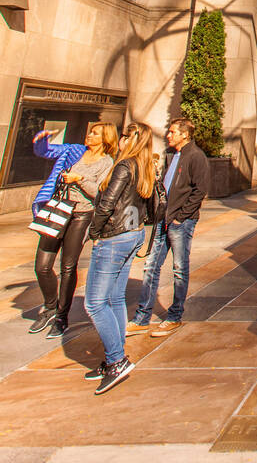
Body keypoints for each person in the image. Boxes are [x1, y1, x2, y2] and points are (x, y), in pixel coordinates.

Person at [84, 122, 157, 394]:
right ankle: (115, 354)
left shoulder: (125, 166)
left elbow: (107, 203)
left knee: (94, 303)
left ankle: (116, 360)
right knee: (115, 298)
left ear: (131, 139)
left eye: (125, 135)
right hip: (133, 234)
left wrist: (94, 231)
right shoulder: (145, 166)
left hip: (114, 236)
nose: (121, 139)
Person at [32, 123, 118, 338]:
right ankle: (50, 305)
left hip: (81, 215)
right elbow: (47, 151)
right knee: (42, 266)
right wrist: (42, 139)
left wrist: (80, 179)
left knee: (68, 267)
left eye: (95, 133)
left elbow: (99, 193)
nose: (89, 135)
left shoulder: (107, 163)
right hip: (58, 210)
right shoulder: (75, 151)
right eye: (90, 132)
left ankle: (62, 315)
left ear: (105, 139)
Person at [127, 118, 209, 338]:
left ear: (185, 134)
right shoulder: (173, 156)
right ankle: (142, 317)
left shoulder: (196, 156)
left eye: (173, 132)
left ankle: (174, 316)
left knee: (179, 269)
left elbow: (200, 190)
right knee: (151, 267)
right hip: (163, 220)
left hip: (180, 222)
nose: (168, 135)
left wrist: (181, 218)